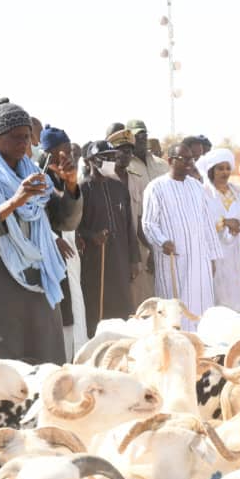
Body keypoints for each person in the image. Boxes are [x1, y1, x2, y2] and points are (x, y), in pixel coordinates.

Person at [0, 98, 80, 364]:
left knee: (48, 372)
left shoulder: (32, 173)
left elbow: (65, 220)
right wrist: (13, 203)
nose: (24, 144)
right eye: (16, 137)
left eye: (27, 137)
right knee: (10, 381)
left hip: (38, 289)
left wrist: (71, 185)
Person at [141, 143, 223, 330]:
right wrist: (162, 241)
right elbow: (148, 223)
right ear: (170, 161)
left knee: (202, 311)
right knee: (174, 311)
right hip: (173, 261)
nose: (189, 163)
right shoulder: (156, 188)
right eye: (184, 159)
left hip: (200, 262)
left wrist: (212, 257)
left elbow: (207, 224)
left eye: (191, 159)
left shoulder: (196, 186)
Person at [77, 137, 140, 337]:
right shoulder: (82, 189)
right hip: (95, 261)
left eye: (112, 157)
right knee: (97, 309)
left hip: (120, 259)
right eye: (105, 157)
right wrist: (91, 236)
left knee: (123, 309)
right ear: (91, 161)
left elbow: (129, 225)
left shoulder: (119, 187)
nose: (111, 161)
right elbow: (75, 228)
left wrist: (134, 259)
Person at [40, 125, 87, 356]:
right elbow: (37, 215)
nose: (68, 155)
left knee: (74, 310)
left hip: (69, 253)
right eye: (64, 150)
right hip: (48, 257)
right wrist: (52, 239)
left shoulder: (63, 177)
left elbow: (68, 215)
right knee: (60, 312)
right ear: (50, 152)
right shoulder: (40, 177)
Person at [199, 148, 240, 312]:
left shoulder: (237, 192)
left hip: (238, 249)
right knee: (221, 292)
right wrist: (224, 223)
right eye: (220, 168)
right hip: (217, 250)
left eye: (227, 168)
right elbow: (201, 221)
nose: (224, 172)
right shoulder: (204, 193)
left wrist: (239, 225)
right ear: (212, 171)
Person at [123, 119, 169, 306]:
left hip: (166, 239)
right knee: (145, 298)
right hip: (140, 241)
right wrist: (149, 248)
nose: (140, 139)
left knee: (168, 296)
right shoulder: (126, 166)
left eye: (143, 135)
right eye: (136, 135)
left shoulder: (161, 165)